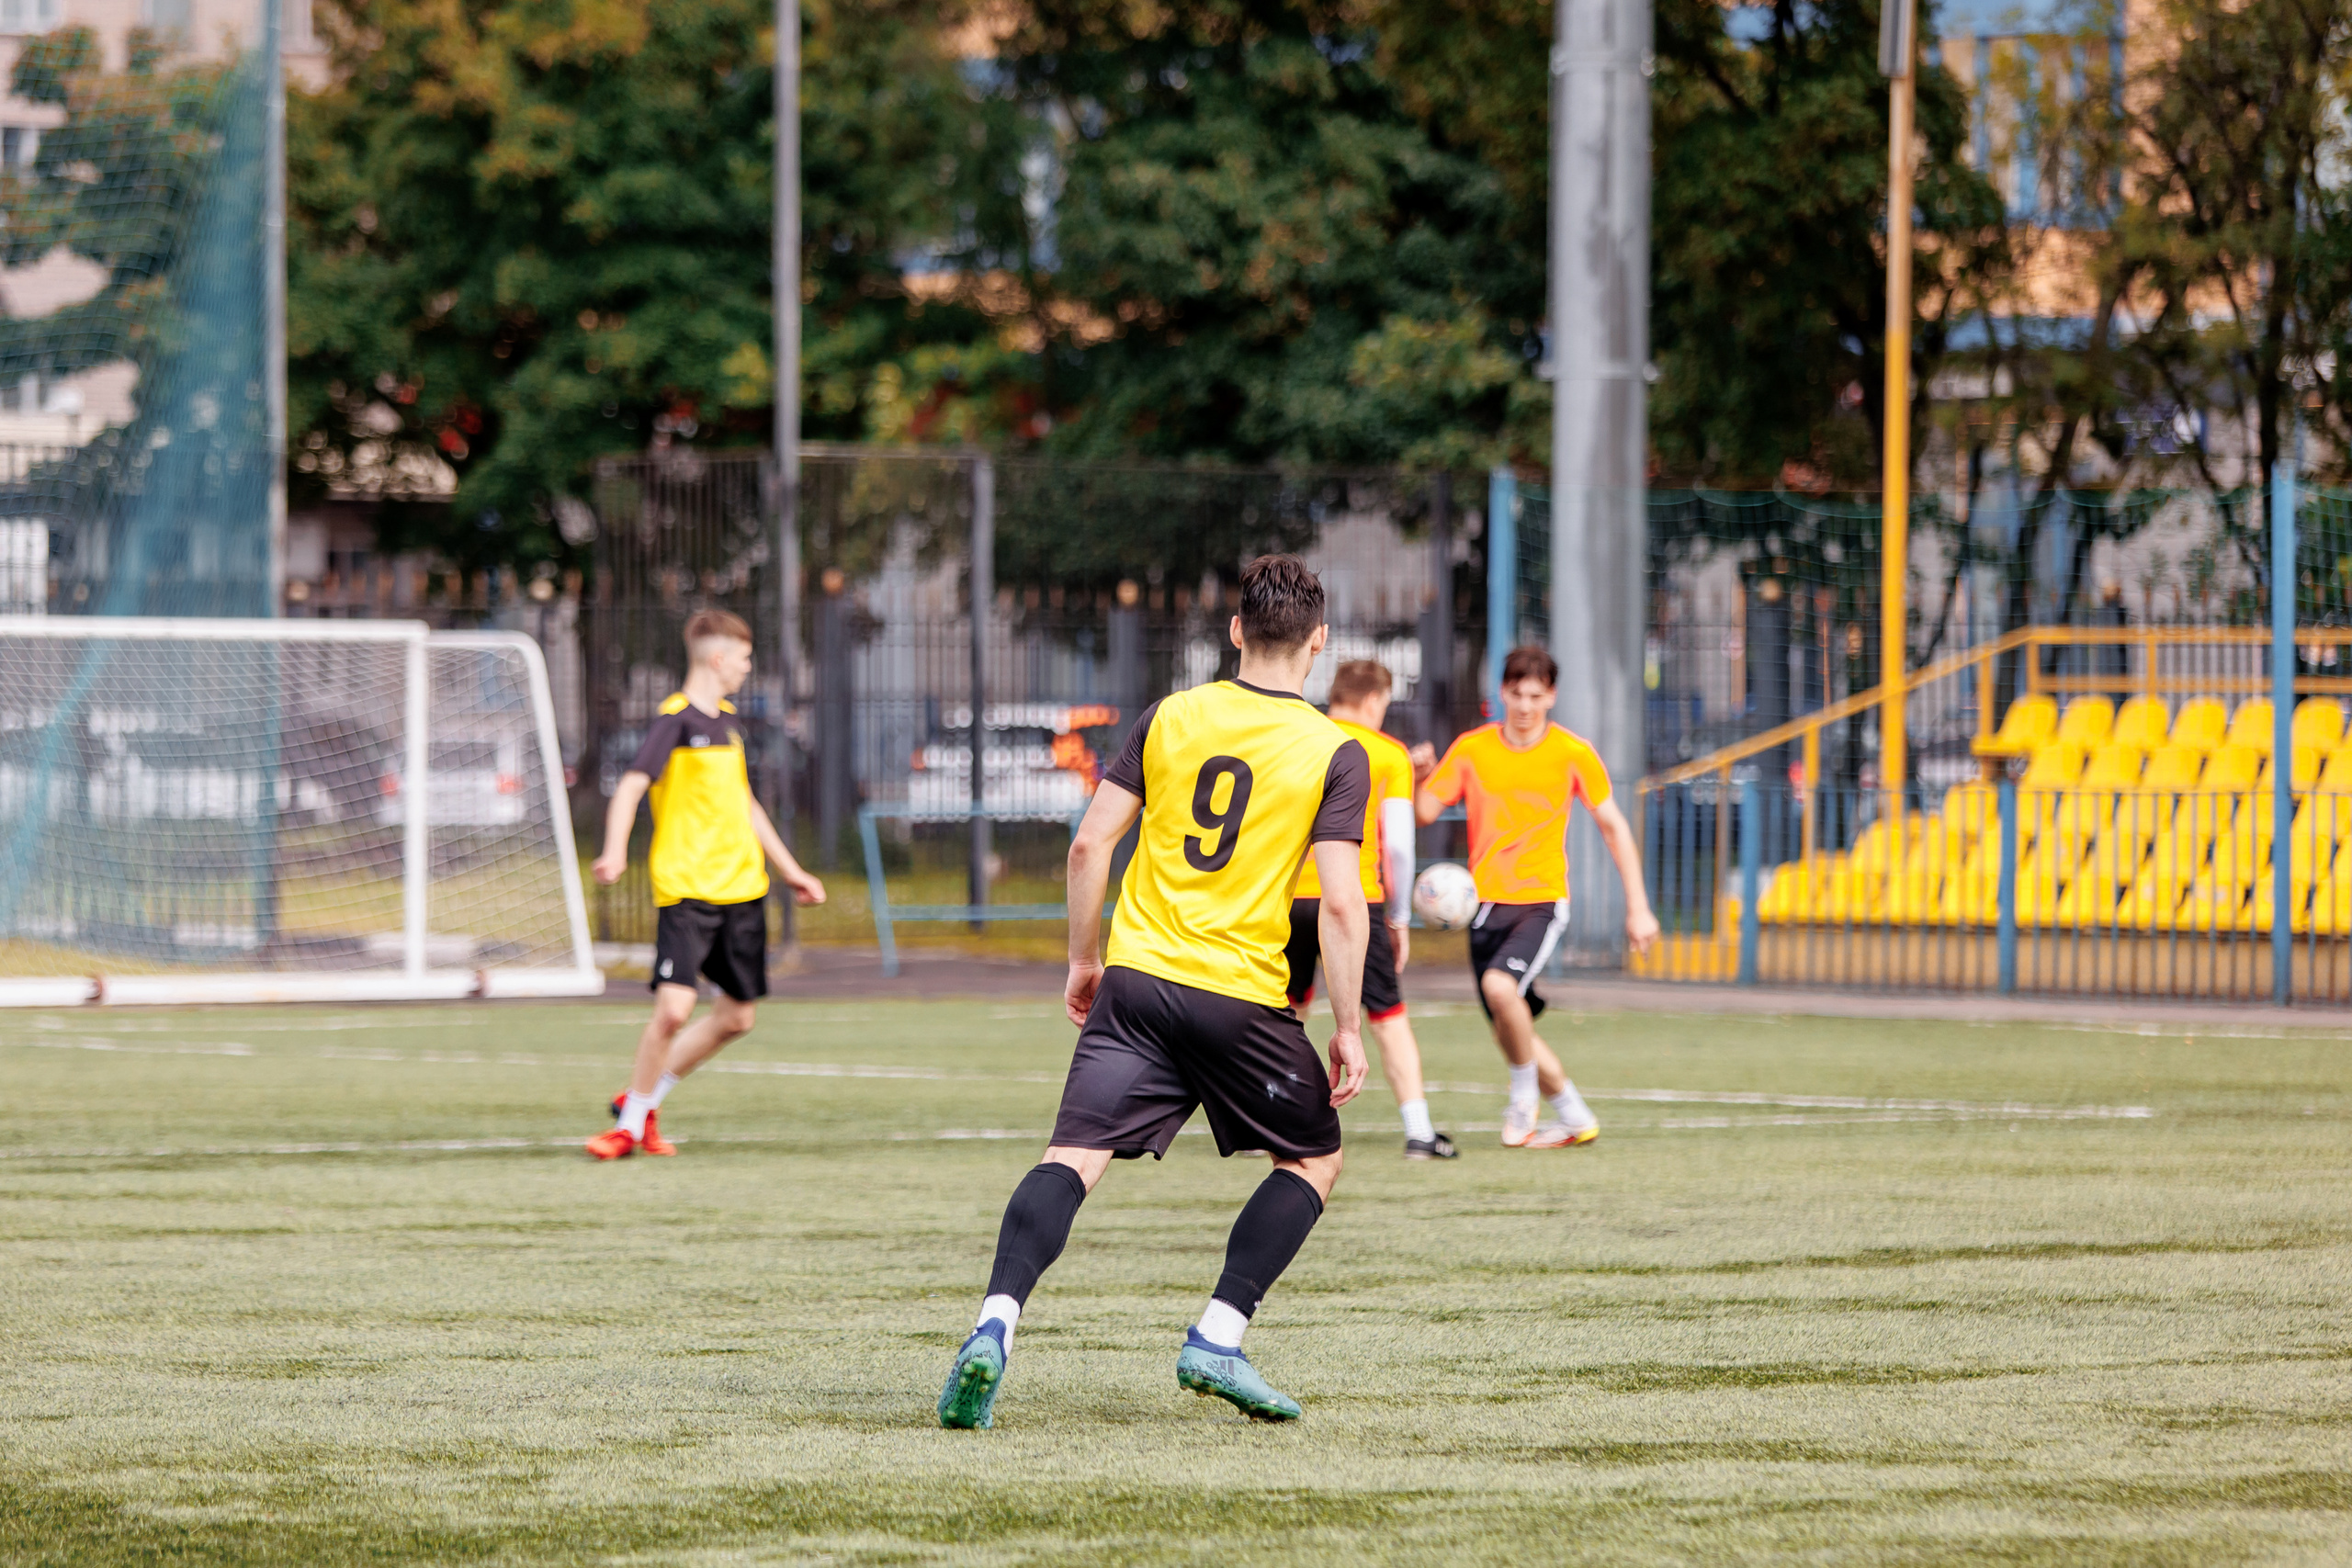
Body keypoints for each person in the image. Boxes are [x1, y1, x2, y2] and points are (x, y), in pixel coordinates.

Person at [937, 555, 1373, 1429]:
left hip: (1135, 985)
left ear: (1237, 630)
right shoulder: (1336, 750)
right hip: (1239, 995)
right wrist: (1349, 1025)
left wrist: (1082, 961)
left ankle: (995, 1323)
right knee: (1314, 1158)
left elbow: (1089, 847)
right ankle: (1218, 1333)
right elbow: (1338, 902)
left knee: (1072, 1158)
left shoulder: (1171, 715)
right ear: (1319, 644)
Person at [584, 608, 825, 1160]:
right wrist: (615, 850)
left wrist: (792, 872)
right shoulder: (675, 721)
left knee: (738, 1017)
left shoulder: (730, 724)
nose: (746, 668)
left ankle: (640, 1100)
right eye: (743, 659)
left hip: (742, 890)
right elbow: (629, 788)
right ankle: (629, 1126)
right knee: (673, 1010)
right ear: (718, 658)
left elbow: (745, 805)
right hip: (688, 889)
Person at [1412, 645, 1659, 1149]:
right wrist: (1421, 773)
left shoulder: (1572, 753)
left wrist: (1638, 906)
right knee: (1511, 1024)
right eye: (1517, 694)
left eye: (1536, 695)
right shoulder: (1471, 749)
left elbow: (1614, 828)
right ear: (1502, 693)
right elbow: (1424, 812)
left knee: (1503, 991)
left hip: (1541, 901)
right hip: (1482, 909)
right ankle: (1574, 1115)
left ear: (1552, 696)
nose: (1525, 705)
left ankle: (1522, 1100)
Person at [1284, 659, 1454, 1159]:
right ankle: (1420, 1132)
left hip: (1287, 898)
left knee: (1286, 1010)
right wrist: (1398, 917)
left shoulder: (1297, 736)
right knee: (1386, 1013)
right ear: (1376, 701)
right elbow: (1399, 846)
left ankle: (1264, 1124)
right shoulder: (1387, 752)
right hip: (1355, 898)